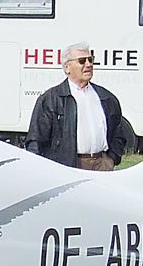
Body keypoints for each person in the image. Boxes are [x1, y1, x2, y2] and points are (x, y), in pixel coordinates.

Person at [25, 42, 129, 170]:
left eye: (90, 60)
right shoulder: (51, 99)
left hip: (102, 165)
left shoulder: (106, 97)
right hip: (67, 167)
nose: (88, 64)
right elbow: (36, 139)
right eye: (82, 61)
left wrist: (111, 159)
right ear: (67, 67)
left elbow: (118, 133)